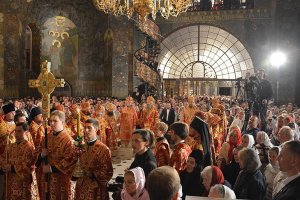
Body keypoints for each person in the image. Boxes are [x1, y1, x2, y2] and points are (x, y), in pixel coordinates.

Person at [38, 110, 76, 200]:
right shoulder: (47, 137)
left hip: (61, 178)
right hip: (47, 177)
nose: (51, 123)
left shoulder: (68, 139)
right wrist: (42, 155)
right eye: (50, 121)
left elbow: (69, 160)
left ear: (62, 122)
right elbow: (37, 154)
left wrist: (51, 168)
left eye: (55, 121)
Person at [74, 118, 113, 200]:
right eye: (85, 128)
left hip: (96, 189)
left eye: (89, 128)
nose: (86, 130)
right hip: (81, 187)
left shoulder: (104, 149)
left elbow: (108, 172)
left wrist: (92, 174)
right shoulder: (82, 147)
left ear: (96, 129)